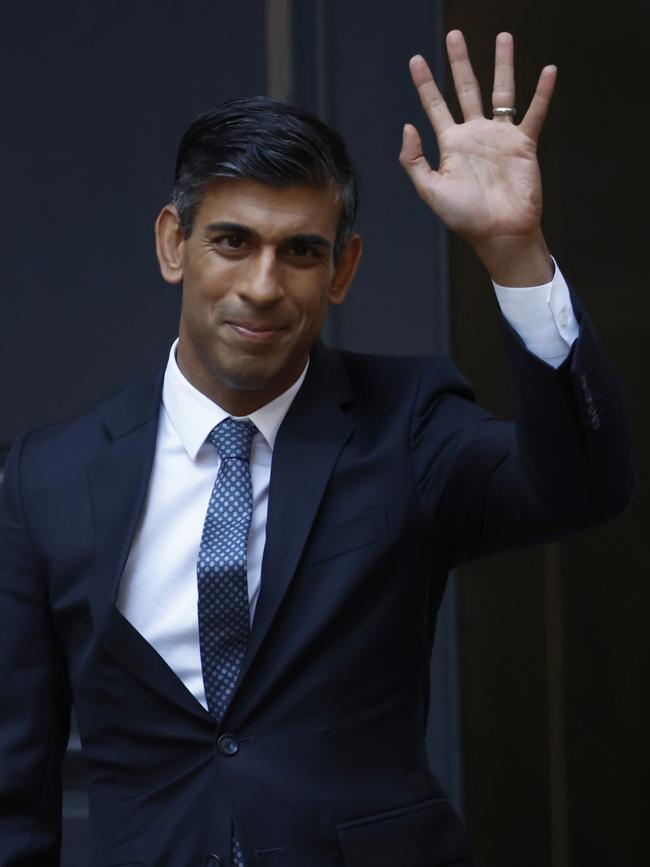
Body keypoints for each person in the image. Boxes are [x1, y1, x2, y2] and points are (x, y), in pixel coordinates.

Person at [0, 30, 635, 867]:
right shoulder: (47, 475)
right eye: (232, 241)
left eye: (301, 251)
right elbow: (14, 785)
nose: (263, 285)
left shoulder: (409, 422)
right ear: (171, 244)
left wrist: (513, 251)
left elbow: (583, 486)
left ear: (341, 269)